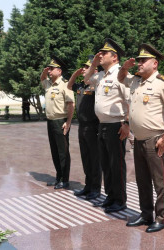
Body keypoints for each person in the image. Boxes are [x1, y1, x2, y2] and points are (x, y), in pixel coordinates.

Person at [118, 44, 164, 233]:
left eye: (143, 60)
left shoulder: (163, 82)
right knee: (142, 180)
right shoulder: (136, 81)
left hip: (155, 139)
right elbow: (120, 78)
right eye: (138, 60)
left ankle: (161, 218)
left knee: (159, 182)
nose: (139, 63)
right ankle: (146, 214)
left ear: (154, 63)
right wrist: (125, 67)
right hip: (139, 139)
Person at [84, 38, 130, 213]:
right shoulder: (101, 75)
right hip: (102, 125)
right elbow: (87, 79)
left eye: (104, 54)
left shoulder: (121, 75)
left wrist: (126, 123)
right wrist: (94, 63)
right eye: (100, 53)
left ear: (115, 58)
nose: (100, 55)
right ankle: (110, 197)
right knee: (106, 164)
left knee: (116, 165)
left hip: (116, 125)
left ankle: (120, 200)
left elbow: (129, 100)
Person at [67, 55, 102, 200]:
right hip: (82, 126)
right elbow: (69, 86)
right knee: (85, 158)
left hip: (93, 127)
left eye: (87, 67)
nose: (84, 69)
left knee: (95, 159)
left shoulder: (96, 86)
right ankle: (88, 186)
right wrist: (75, 74)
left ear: (94, 70)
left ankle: (95, 188)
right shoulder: (81, 86)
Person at [40, 56, 75, 189]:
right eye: (49, 69)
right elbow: (42, 79)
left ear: (59, 71)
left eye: (52, 69)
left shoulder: (65, 84)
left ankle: (65, 180)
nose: (49, 71)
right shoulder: (48, 84)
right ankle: (58, 177)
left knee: (63, 152)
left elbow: (71, 104)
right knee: (54, 151)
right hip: (50, 121)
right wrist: (45, 71)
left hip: (61, 121)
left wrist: (69, 122)